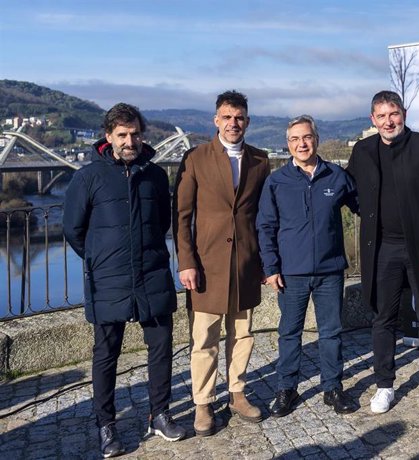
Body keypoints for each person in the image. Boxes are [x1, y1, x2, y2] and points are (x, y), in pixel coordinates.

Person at [63, 103, 185, 458]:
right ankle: (106, 426)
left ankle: (159, 414)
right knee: (106, 355)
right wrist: (99, 259)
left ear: (142, 135)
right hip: (109, 279)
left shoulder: (156, 176)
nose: (129, 140)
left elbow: (162, 220)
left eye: (134, 134)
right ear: (108, 137)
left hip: (151, 274)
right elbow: (73, 230)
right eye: (122, 135)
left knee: (161, 347)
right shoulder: (88, 177)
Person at [347, 90, 419, 414]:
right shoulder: (363, 151)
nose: (388, 121)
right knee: (383, 318)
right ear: (373, 120)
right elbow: (350, 192)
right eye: (381, 116)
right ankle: (384, 385)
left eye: (393, 114)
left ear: (403, 114)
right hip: (382, 249)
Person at [173, 91, 270, 436]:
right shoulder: (196, 158)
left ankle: (237, 394)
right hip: (206, 265)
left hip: (245, 262)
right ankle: (203, 402)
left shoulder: (260, 160)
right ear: (216, 120)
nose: (233, 123)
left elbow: (263, 215)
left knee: (242, 334)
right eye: (227, 117)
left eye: (239, 117)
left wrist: (265, 261)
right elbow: (182, 216)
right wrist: (186, 262)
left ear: (247, 121)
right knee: (205, 338)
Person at [257, 115, 358, 417]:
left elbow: (364, 205)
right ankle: (287, 389)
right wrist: (271, 267)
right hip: (291, 274)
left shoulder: (336, 176)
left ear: (316, 138)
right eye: (295, 139)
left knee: (331, 332)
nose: (302, 144)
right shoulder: (276, 181)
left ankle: (333, 388)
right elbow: (265, 227)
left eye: (307, 137)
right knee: (289, 332)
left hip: (330, 271)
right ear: (287, 144)